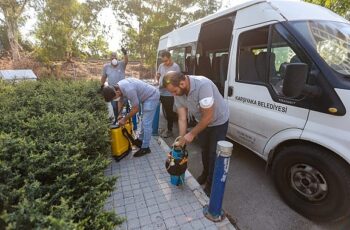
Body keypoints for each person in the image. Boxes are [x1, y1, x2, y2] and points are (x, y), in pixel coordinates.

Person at [163, 71, 229, 195]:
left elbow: (208, 117)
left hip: (218, 121)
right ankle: (205, 174)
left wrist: (192, 134)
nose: (173, 95)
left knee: (214, 153)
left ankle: (210, 184)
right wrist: (182, 138)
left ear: (182, 83)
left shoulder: (202, 85)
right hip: (202, 121)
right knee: (204, 149)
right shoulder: (178, 91)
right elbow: (182, 118)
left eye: (174, 91)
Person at [102, 78, 160, 157]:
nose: (115, 99)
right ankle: (140, 140)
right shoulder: (118, 86)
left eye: (114, 98)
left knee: (146, 123)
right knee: (144, 120)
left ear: (117, 92)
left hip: (152, 96)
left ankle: (145, 148)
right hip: (146, 97)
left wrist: (124, 119)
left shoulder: (129, 90)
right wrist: (119, 115)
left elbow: (136, 109)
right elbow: (120, 101)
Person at [156, 51, 181, 138]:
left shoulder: (175, 67)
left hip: (169, 94)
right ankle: (155, 128)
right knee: (155, 109)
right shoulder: (161, 66)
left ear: (170, 58)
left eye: (166, 60)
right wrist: (158, 79)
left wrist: (168, 85)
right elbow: (158, 74)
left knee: (169, 113)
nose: (165, 63)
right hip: (160, 91)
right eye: (163, 61)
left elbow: (178, 80)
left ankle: (169, 130)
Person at [101, 48, 128, 120]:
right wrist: (101, 86)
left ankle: (125, 121)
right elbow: (104, 77)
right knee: (114, 107)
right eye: (112, 57)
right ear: (110, 58)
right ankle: (117, 121)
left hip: (122, 90)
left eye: (115, 57)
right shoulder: (106, 67)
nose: (114, 58)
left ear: (117, 58)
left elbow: (126, 61)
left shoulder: (121, 64)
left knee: (123, 107)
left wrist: (125, 53)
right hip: (112, 91)